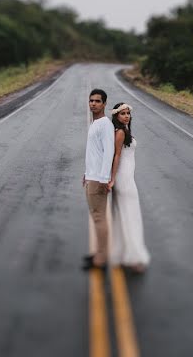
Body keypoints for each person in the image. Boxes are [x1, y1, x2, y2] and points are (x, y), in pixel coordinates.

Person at [108, 102, 150, 273]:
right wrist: (112, 179)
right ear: (116, 116)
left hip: (127, 177)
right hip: (123, 179)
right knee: (130, 215)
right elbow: (116, 156)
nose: (126, 116)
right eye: (122, 113)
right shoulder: (119, 132)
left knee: (124, 214)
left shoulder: (124, 131)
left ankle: (125, 253)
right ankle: (133, 257)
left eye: (128, 113)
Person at [82, 88, 114, 270]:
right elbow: (94, 153)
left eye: (97, 101)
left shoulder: (105, 124)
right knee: (96, 217)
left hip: (98, 180)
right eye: (91, 100)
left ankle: (101, 258)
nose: (93, 103)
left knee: (99, 217)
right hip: (91, 176)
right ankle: (99, 253)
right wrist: (86, 173)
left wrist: (103, 179)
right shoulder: (94, 124)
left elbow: (109, 152)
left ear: (104, 104)